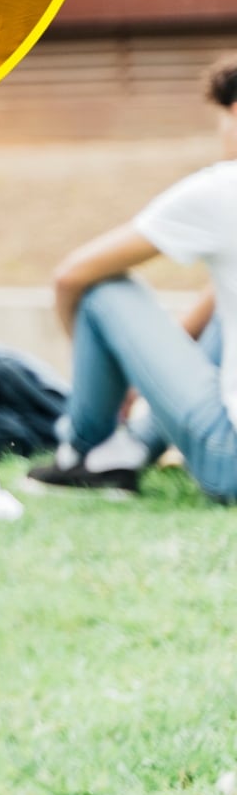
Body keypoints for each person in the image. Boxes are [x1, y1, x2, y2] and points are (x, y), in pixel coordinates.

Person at [26, 55, 237, 499]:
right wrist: (139, 371)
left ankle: (86, 447)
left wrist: (105, 378)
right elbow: (213, 308)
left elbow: (70, 276)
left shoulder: (224, 188)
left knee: (102, 288)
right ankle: (131, 449)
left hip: (229, 460)